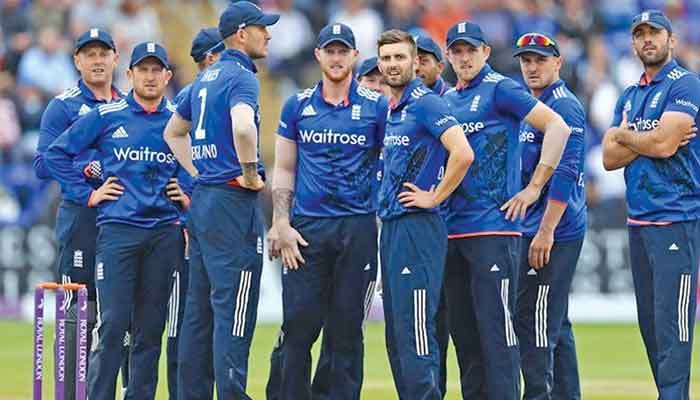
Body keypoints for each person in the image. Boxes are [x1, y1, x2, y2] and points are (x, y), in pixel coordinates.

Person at [45, 41, 188, 400]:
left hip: (163, 235)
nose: (150, 77)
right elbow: (55, 154)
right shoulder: (108, 115)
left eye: (157, 70)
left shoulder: (179, 119)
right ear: (130, 74)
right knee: (112, 326)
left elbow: (202, 165)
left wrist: (187, 194)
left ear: (167, 76)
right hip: (118, 233)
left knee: (149, 331)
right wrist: (87, 194)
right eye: (143, 70)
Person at [442, 21, 572, 399]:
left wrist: (534, 188)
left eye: (471, 50)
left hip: (493, 230)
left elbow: (558, 128)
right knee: (464, 336)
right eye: (457, 51)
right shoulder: (448, 100)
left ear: (485, 52)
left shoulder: (501, 88)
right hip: (452, 229)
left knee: (496, 332)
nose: (464, 58)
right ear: (448, 55)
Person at [162, 2, 279, 399]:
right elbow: (244, 127)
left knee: (199, 310)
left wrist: (199, 172)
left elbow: (172, 132)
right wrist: (250, 173)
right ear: (241, 34)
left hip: (205, 200)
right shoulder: (241, 76)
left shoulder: (202, 81)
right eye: (262, 28)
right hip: (232, 201)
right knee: (235, 307)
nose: (268, 34)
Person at [264, 23, 386, 400]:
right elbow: (285, 168)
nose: (336, 58)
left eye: (342, 51)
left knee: (347, 329)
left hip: (358, 226)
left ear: (354, 56)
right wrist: (280, 222)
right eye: (329, 51)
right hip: (308, 229)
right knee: (299, 325)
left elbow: (390, 164)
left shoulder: (376, 106)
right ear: (318, 55)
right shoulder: (297, 105)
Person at [602, 10, 700, 400]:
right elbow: (609, 158)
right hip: (639, 219)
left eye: (654, 33)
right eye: (640, 34)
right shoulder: (630, 94)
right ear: (633, 43)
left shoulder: (685, 83)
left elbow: (664, 145)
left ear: (671, 40)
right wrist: (646, 138)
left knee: (673, 323)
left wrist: (625, 136)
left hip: (677, 217)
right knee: (651, 325)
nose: (647, 39)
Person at [376, 29, 474, 399]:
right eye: (386, 58)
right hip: (393, 227)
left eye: (399, 57)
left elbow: (463, 152)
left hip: (417, 227)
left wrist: (435, 197)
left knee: (416, 327)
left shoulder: (426, 103)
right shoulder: (393, 107)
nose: (392, 65)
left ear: (415, 62)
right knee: (397, 333)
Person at [32, 28, 126, 400]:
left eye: (103, 53)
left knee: (121, 314)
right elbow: (43, 164)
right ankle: (72, 394)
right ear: (77, 61)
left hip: (124, 220)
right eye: (89, 54)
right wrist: (85, 175)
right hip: (81, 219)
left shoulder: (128, 104)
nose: (97, 61)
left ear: (116, 58)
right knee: (78, 311)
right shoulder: (64, 106)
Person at [512, 32, 586, 400]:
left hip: (555, 229)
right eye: (526, 60)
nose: (532, 67)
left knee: (535, 320)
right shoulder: (532, 104)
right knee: (554, 321)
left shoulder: (564, 106)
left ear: (557, 62)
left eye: (540, 60)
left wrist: (546, 231)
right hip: (534, 225)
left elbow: (566, 172)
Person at [165, 26, 224, 400]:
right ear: (212, 58)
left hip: (207, 220)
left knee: (202, 319)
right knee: (192, 320)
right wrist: (191, 200)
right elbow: (171, 165)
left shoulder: (202, 96)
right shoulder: (198, 97)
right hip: (194, 227)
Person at [414, 33, 451, 399]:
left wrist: (437, 195)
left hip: (453, 225)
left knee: (462, 326)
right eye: (414, 59)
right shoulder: (402, 105)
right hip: (422, 228)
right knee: (427, 322)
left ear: (440, 66)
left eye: (424, 60)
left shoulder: (449, 102)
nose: (417, 66)